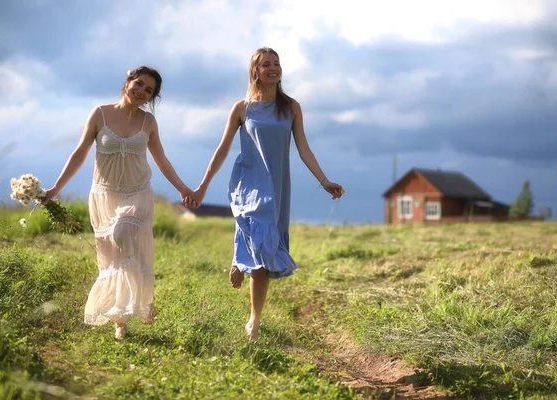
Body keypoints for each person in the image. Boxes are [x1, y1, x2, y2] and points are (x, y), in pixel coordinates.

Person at [187, 47, 344, 341]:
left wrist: (324, 181)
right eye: (266, 64)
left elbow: (303, 148)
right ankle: (241, 260)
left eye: (277, 63)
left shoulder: (291, 107)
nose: (273, 68)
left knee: (265, 257)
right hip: (249, 182)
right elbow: (222, 150)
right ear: (255, 71)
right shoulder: (242, 108)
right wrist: (202, 186)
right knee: (258, 239)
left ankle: (253, 319)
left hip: (277, 186)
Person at [42, 66, 196, 339]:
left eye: (148, 90)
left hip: (137, 192)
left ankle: (141, 302)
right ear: (127, 82)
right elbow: (80, 153)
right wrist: (55, 188)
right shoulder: (100, 113)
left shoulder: (148, 122)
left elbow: (161, 160)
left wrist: (184, 188)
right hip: (105, 195)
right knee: (114, 258)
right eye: (139, 84)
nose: (141, 91)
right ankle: (121, 319)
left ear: (151, 98)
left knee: (122, 232)